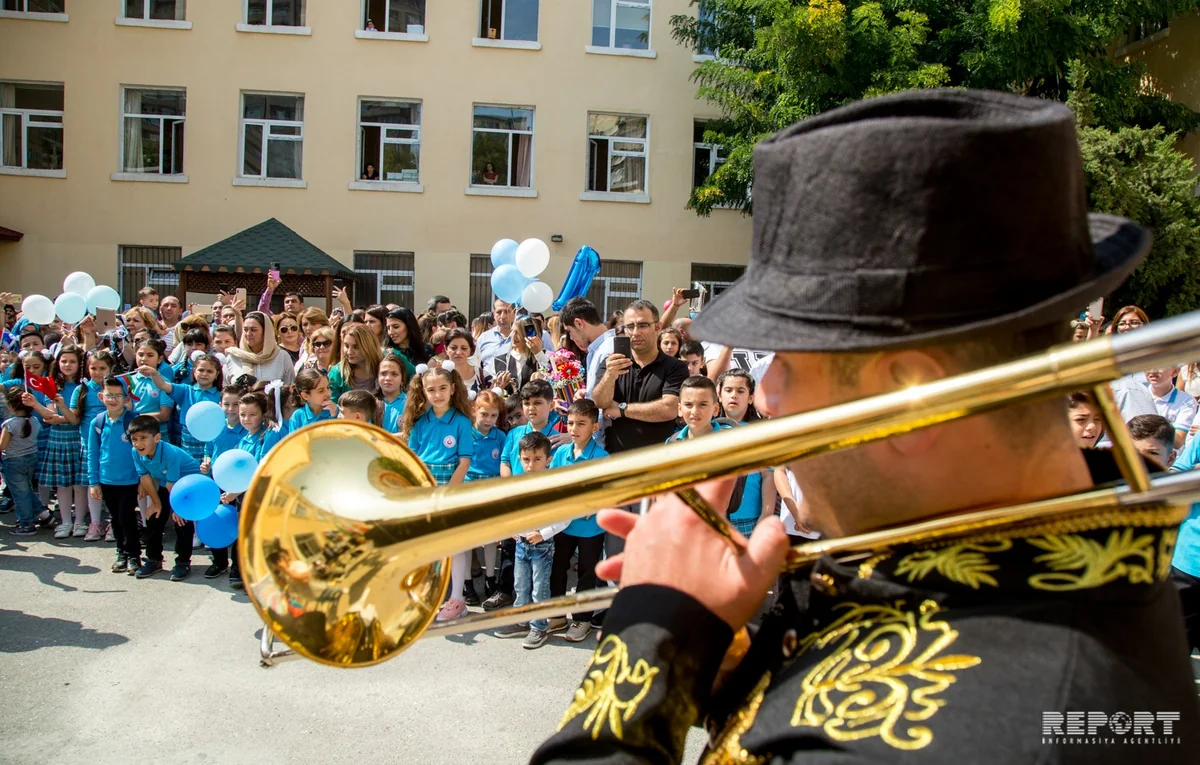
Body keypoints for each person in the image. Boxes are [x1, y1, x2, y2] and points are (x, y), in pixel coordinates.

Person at [533, 90, 1198, 763]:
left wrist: (647, 636)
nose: (767, 391)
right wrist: (721, 654)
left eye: (789, 358)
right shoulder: (1030, 557)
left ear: (911, 398)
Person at [400, 366, 474, 621]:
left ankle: (457, 599)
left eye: (443, 388)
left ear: (453, 388)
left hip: (450, 486)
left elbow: (464, 461)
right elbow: (413, 459)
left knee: (454, 545)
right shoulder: (420, 422)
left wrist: (448, 493)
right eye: (431, 389)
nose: (438, 394)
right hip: (425, 488)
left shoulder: (461, 422)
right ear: (423, 391)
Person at [492, 432, 567, 649]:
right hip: (521, 545)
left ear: (548, 460)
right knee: (520, 584)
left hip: (542, 546)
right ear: (519, 458)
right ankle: (521, 620)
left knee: (540, 588)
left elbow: (565, 516)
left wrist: (544, 533)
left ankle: (539, 627)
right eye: (526, 459)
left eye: (537, 459)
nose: (531, 465)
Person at [548, 399, 608, 642]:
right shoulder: (561, 453)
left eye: (581, 423)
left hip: (590, 529)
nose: (574, 428)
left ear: (595, 427)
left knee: (586, 573)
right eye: (571, 423)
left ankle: (582, 619)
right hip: (563, 525)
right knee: (558, 568)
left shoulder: (602, 457)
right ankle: (557, 614)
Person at [128, 414, 201, 581]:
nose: (138, 443)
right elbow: (145, 477)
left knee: (182, 521)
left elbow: (172, 485)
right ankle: (154, 560)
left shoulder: (169, 453)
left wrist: (177, 509)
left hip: (188, 486)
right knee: (154, 517)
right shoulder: (135, 452)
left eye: (143, 438)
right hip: (167, 484)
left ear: (157, 438)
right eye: (134, 439)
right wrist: (156, 503)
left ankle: (183, 562)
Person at [87, 377, 140, 568]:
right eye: (109, 395)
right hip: (107, 479)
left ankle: (134, 555)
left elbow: (142, 453)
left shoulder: (133, 420)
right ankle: (121, 552)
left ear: (126, 398)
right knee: (115, 519)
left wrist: (143, 478)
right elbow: (93, 453)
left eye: (118, 395)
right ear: (101, 396)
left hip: (130, 480)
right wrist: (93, 482)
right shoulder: (98, 422)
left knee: (127, 517)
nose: (113, 399)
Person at [200, 383, 247, 587]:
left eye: (236, 404)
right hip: (216, 482)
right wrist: (206, 461)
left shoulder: (246, 430)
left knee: (237, 525)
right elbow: (208, 449)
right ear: (220, 404)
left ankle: (237, 566)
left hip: (238, 485)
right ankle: (219, 561)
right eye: (226, 404)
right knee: (215, 519)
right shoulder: (216, 427)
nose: (231, 409)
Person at [69, 348, 117, 540]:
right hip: (90, 444)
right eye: (93, 368)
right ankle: (95, 522)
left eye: (102, 368)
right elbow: (74, 417)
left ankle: (114, 523)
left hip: (113, 444)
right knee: (93, 483)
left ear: (111, 368)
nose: (97, 372)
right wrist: (61, 407)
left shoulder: (117, 387)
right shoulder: (81, 390)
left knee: (113, 485)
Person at [466, 389, 506, 600]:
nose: (489, 420)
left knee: (491, 537)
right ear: (474, 411)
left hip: (492, 489)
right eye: (484, 414)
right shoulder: (465, 434)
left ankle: (491, 577)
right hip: (469, 489)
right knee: (467, 539)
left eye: (493, 415)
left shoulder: (500, 436)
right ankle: (467, 582)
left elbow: (504, 463)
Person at [2, 386, 42, 536]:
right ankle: (42, 514)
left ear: (10, 405)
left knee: (20, 494)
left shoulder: (10, 424)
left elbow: (2, 445)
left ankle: (27, 524)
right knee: (26, 489)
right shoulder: (34, 421)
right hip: (31, 458)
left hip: (13, 462)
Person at [222, 311, 295, 385]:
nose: (248, 334)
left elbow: (289, 387)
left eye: (253, 330)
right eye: (245, 329)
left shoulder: (282, 357)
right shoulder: (234, 357)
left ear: (266, 332)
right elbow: (225, 387)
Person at [1143, 366, 1196, 449]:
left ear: (1175, 372)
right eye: (1149, 365)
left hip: (1170, 456)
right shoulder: (1136, 395)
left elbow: (1177, 442)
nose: (1152, 371)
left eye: (1160, 365)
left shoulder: (1187, 401)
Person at [329, 323, 384, 401]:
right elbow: (332, 403)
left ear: (369, 346)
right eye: (346, 346)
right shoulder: (337, 373)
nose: (349, 352)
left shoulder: (386, 366)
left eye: (356, 347)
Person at [476, 298, 517, 375]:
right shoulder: (484, 337)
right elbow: (475, 364)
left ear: (514, 313)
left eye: (507, 311)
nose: (503, 316)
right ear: (494, 314)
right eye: (499, 312)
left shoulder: (521, 338)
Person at [376, 354, 408, 433]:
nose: (388, 378)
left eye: (394, 374)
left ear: (402, 379)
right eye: (383, 373)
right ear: (377, 377)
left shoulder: (410, 404)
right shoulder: (371, 403)